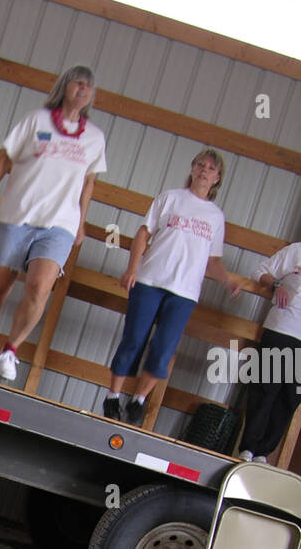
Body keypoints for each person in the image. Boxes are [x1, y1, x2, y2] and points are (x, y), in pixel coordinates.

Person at [0, 65, 106, 381]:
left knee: (39, 287)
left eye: (89, 85)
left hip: (59, 224)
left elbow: (88, 183)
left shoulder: (95, 138)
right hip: (17, 215)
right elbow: (5, 158)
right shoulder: (37, 120)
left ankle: (10, 350)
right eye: (78, 82)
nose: (83, 89)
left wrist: (81, 222)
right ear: (64, 86)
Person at [105, 149, 246, 426]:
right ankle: (113, 395)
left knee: (164, 348)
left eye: (211, 169)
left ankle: (139, 400)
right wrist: (132, 268)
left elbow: (213, 261)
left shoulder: (215, 216)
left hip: (184, 292)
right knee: (134, 338)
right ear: (193, 168)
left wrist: (227, 278)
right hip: (150, 280)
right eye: (201, 165)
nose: (205, 171)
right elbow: (144, 233)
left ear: (218, 178)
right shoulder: (170, 198)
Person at [237, 240, 301, 462]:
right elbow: (260, 271)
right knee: (265, 388)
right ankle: (249, 447)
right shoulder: (297, 251)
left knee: (291, 396)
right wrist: (277, 285)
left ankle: (264, 451)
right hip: (282, 328)